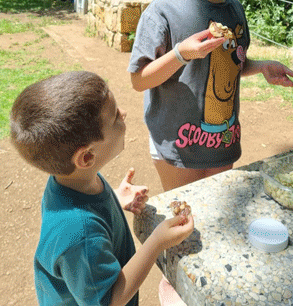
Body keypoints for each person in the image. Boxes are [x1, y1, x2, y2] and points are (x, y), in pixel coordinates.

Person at [128, 0, 293, 193]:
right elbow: (139, 80)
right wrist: (181, 53)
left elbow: (228, 66)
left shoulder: (234, 10)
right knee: (185, 221)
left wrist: (261, 68)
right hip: (177, 148)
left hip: (222, 142)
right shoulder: (163, 11)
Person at [10, 71, 194, 306]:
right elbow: (109, 300)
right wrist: (156, 243)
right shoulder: (81, 237)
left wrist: (115, 199)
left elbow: (84, 215)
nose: (124, 114)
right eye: (116, 116)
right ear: (86, 157)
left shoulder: (69, 181)